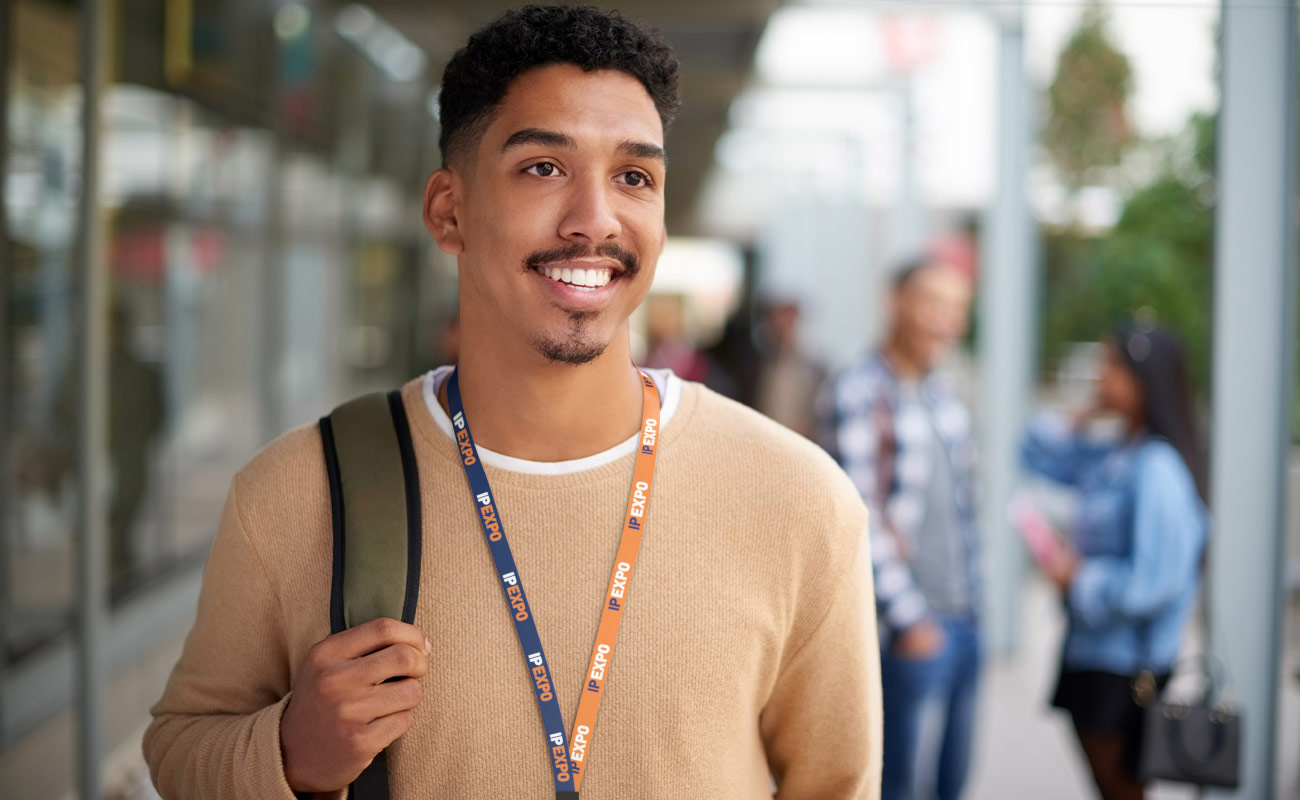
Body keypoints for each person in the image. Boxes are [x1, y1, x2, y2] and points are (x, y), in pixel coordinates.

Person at [144, 6, 882, 799]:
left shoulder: (798, 500)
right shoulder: (298, 492)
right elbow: (182, 744)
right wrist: (288, 753)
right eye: (544, 168)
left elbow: (837, 782)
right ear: (448, 211)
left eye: (635, 177)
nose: (595, 220)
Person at [1019, 323, 1208, 800]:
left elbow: (1152, 583)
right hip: (1094, 653)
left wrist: (1079, 578)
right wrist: (1084, 413)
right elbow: (1033, 452)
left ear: (1147, 379)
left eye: (1111, 366)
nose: (1098, 377)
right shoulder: (1117, 452)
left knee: (1121, 790)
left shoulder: (1157, 467)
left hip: (1124, 667)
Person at [819, 254, 981, 800]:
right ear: (897, 303)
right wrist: (911, 623)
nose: (946, 321)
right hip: (907, 628)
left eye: (957, 308)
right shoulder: (858, 391)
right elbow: (856, 517)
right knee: (898, 786)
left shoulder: (943, 393)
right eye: (933, 303)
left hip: (964, 617)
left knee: (954, 781)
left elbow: (961, 509)